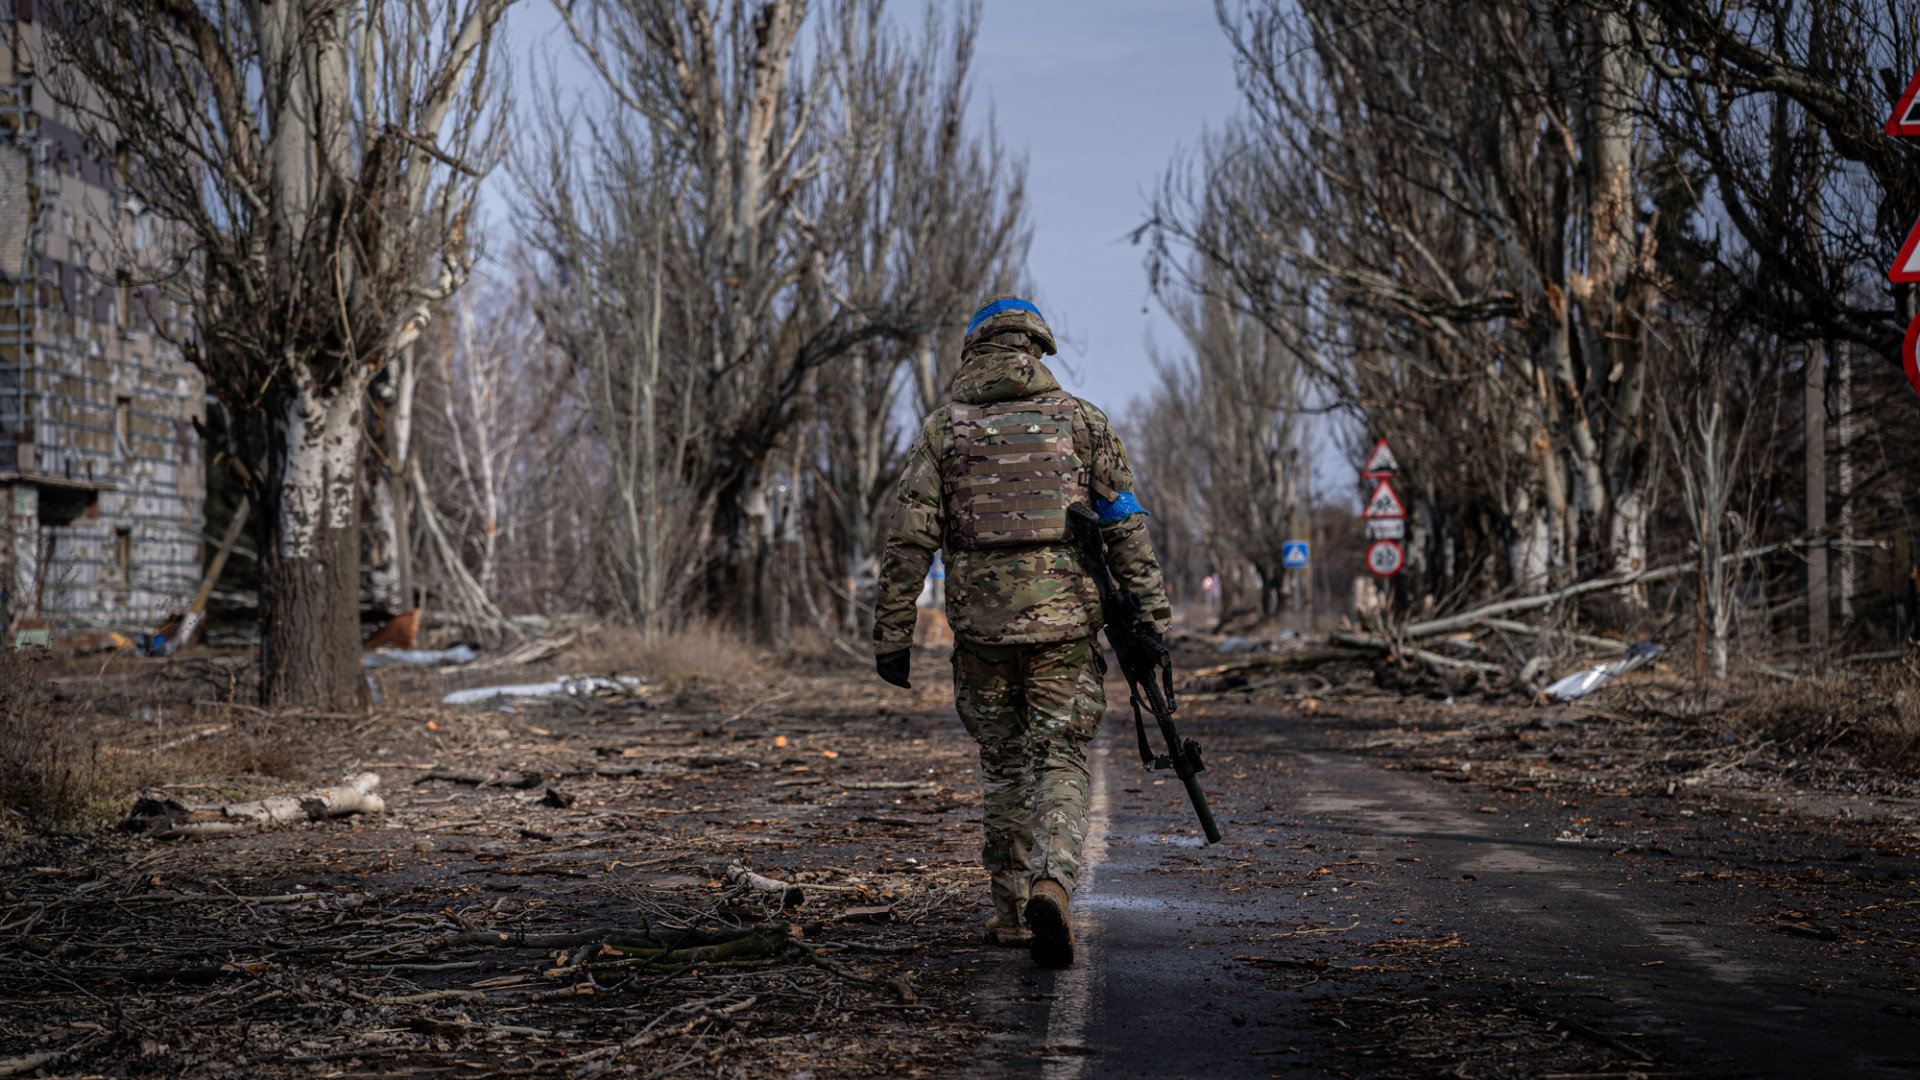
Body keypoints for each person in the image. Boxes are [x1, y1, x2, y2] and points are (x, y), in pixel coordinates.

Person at [870, 296, 1171, 968]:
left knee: (1004, 765)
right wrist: (1152, 621)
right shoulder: (1082, 423)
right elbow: (1125, 527)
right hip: (1065, 627)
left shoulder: (944, 432)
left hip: (981, 632)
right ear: (1036, 348)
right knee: (1060, 758)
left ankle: (1011, 915)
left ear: (974, 352)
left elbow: (909, 539)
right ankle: (1052, 883)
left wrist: (892, 633)